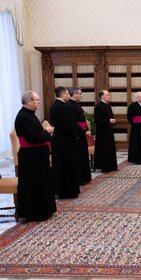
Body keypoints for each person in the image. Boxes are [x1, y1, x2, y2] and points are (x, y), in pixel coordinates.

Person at [14, 91, 56, 221]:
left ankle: (44, 210)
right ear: (29, 101)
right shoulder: (23, 117)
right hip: (31, 157)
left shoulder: (30, 115)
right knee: (34, 184)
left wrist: (44, 132)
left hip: (37, 155)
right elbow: (33, 138)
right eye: (37, 100)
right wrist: (47, 131)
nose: (39, 102)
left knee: (42, 182)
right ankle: (35, 212)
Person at [49, 86, 80, 199]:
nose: (68, 96)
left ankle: (59, 189)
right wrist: (75, 136)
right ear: (62, 95)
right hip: (65, 140)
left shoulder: (54, 106)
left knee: (60, 164)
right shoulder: (62, 107)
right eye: (67, 94)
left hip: (58, 138)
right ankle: (67, 191)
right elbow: (68, 126)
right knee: (66, 164)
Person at [66, 86, 92, 185]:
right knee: (78, 157)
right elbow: (73, 122)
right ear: (74, 94)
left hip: (82, 133)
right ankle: (80, 178)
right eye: (79, 93)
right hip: (77, 134)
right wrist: (83, 131)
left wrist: (87, 129)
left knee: (83, 155)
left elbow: (83, 120)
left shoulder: (77, 105)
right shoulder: (69, 106)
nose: (81, 95)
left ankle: (85, 177)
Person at [94, 90, 117, 172]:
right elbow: (97, 120)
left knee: (110, 148)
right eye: (107, 95)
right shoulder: (98, 106)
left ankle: (111, 166)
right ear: (102, 96)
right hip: (102, 132)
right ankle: (105, 167)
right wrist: (109, 121)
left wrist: (113, 121)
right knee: (104, 149)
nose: (109, 96)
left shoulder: (108, 105)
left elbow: (111, 117)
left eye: (109, 95)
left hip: (109, 131)